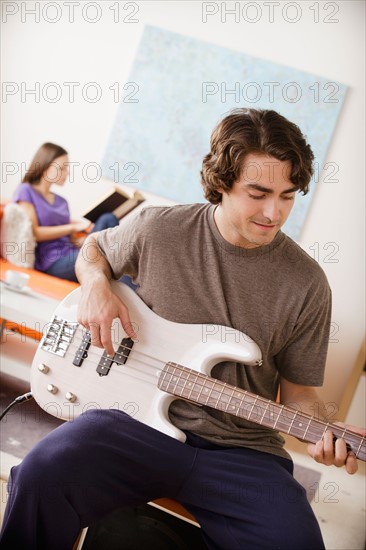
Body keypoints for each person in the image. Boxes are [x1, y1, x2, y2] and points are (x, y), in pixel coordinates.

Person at [1, 109, 364, 549]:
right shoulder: (161, 227)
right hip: (133, 426)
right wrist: (96, 284)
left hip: (242, 451)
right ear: (222, 183)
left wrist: (324, 431)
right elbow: (94, 248)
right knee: (40, 476)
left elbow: (301, 395)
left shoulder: (307, 284)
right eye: (259, 192)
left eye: (289, 196)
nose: (275, 212)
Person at [13, 142, 120, 282]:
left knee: (108, 218)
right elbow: (35, 233)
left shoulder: (62, 201)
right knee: (106, 260)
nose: (67, 172)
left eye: (67, 168)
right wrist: (73, 227)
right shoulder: (26, 190)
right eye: (62, 168)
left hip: (72, 252)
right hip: (52, 262)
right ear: (45, 166)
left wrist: (80, 240)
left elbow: (67, 238)